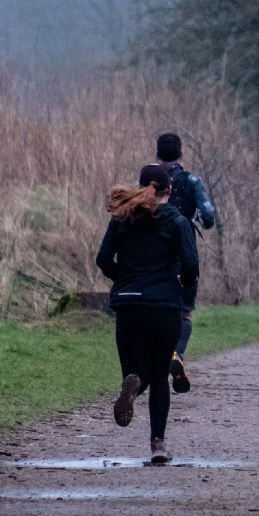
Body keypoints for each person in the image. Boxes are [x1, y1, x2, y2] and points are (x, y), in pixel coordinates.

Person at [96, 164, 199, 463]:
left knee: (135, 373)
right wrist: (182, 285)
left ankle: (132, 387)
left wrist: (124, 279)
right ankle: (158, 444)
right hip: (164, 307)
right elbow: (191, 266)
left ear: (139, 185)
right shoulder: (178, 222)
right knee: (158, 375)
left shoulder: (121, 219)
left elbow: (103, 259)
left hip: (128, 306)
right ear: (170, 191)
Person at [154, 133, 216, 394]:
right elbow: (208, 217)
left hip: (153, 250)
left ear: (157, 154)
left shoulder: (147, 179)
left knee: (155, 309)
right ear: (181, 154)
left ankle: (157, 362)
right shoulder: (192, 180)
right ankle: (176, 355)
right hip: (184, 250)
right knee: (184, 312)